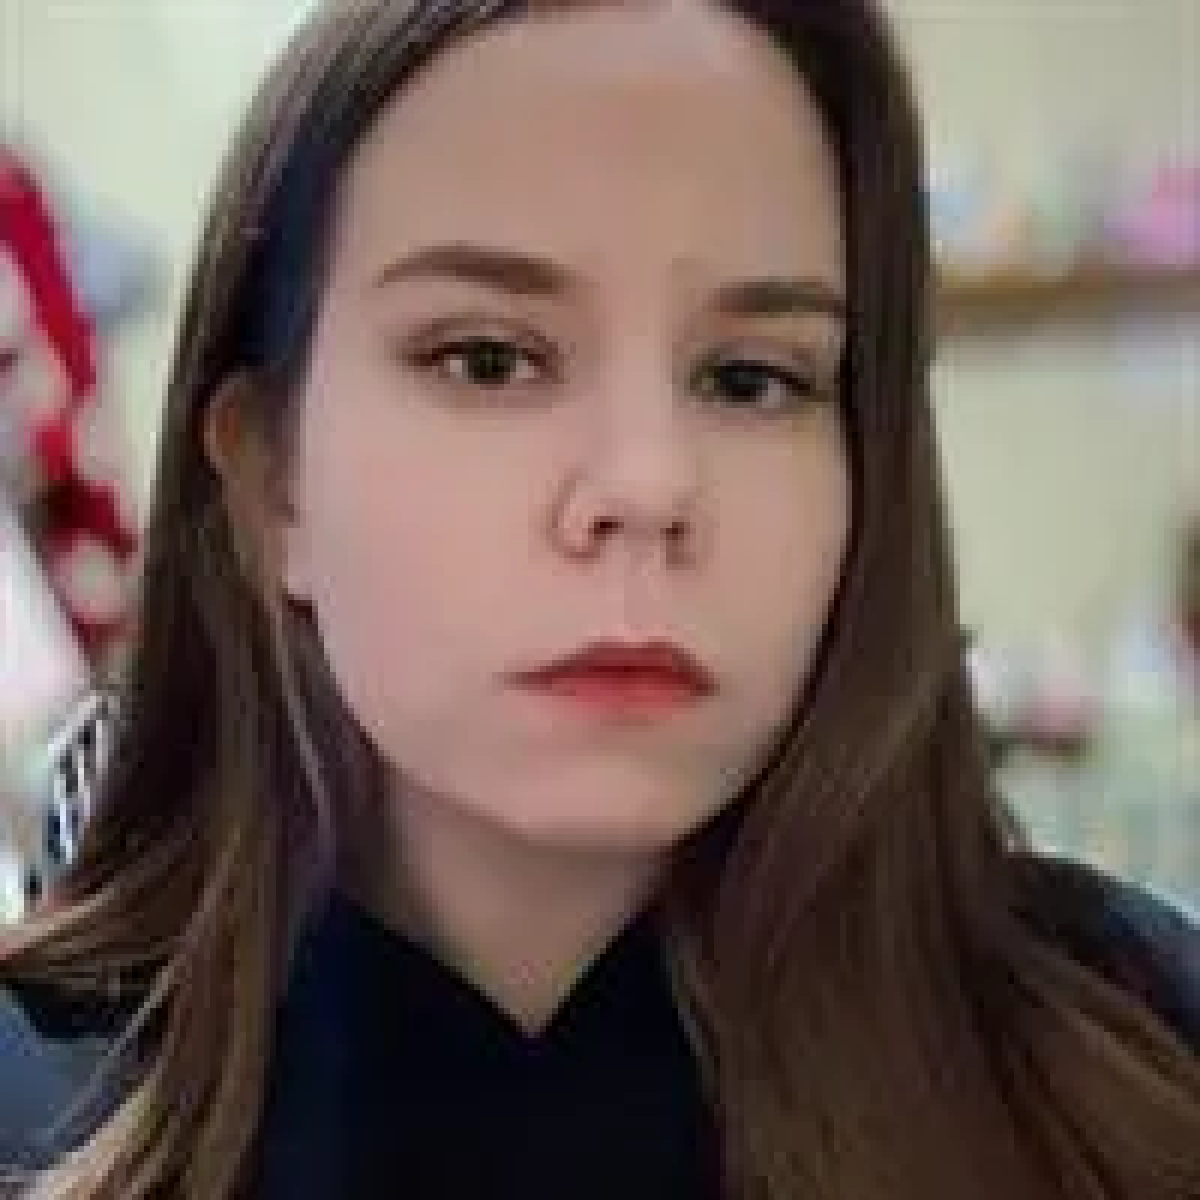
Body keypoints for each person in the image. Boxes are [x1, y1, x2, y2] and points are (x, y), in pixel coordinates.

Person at [1, 1, 1197, 1196]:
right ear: (272, 480)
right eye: (488, 360)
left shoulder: (1135, 1062)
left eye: (752, 378)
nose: (647, 485)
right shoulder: (39, 1104)